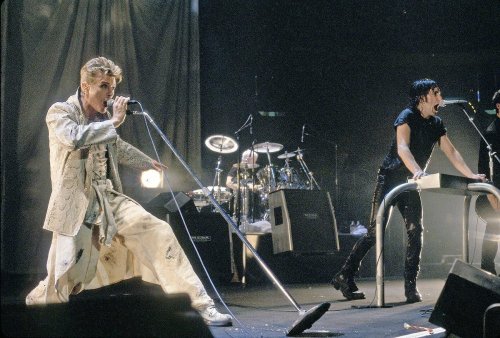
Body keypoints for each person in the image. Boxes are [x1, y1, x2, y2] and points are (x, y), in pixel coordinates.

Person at [25, 57, 232, 326]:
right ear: (85, 87)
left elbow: (118, 147)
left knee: (158, 232)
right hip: (75, 203)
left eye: (112, 88)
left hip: (107, 198)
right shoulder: (60, 112)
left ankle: (201, 306)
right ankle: (40, 308)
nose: (110, 94)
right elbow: (74, 137)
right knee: (65, 271)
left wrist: (147, 161)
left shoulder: (103, 119)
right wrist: (113, 122)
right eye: (103, 86)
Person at [331, 79, 486, 303]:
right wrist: (417, 170)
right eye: (436, 93)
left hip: (410, 182)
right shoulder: (406, 116)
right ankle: (345, 274)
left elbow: (451, 151)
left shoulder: (436, 123)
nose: (440, 98)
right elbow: (402, 147)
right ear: (422, 98)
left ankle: (410, 287)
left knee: (416, 231)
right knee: (375, 232)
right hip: (390, 178)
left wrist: (470, 174)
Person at [476, 90, 500, 275]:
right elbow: (483, 171)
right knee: (495, 222)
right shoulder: (489, 135)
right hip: (492, 195)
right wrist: (494, 198)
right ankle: (487, 269)